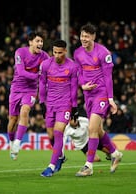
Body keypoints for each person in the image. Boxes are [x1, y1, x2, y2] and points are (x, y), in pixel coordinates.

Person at [73, 23, 123, 177]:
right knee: (98, 130)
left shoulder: (103, 53)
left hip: (101, 94)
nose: (84, 39)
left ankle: (88, 166)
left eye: (87, 36)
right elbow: (79, 72)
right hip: (88, 95)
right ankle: (115, 154)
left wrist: (110, 99)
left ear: (93, 37)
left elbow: (108, 77)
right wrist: (82, 85)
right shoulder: (77, 53)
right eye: (82, 36)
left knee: (92, 128)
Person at [39, 39, 78, 177]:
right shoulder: (45, 65)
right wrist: (41, 102)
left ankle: (51, 166)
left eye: (60, 53)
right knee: (50, 136)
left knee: (58, 132)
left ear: (65, 52)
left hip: (65, 104)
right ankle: (60, 156)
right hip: (50, 104)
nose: (57, 55)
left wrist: (74, 107)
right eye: (54, 52)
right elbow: (42, 83)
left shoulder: (72, 66)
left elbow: (74, 88)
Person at [8, 32, 49, 160]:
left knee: (25, 111)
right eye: (38, 41)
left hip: (30, 90)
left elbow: (51, 69)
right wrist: (38, 76)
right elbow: (21, 72)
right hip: (16, 88)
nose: (40, 44)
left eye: (41, 41)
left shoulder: (45, 56)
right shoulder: (20, 52)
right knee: (13, 120)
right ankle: (11, 142)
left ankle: (17, 143)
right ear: (30, 42)